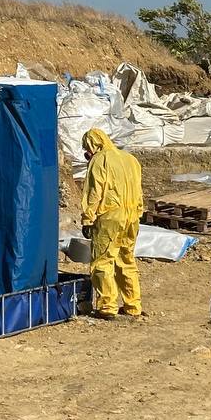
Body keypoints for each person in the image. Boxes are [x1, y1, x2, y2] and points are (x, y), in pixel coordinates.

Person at [81, 128, 143, 319]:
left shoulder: (99, 161)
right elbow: (139, 190)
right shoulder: (131, 159)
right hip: (132, 217)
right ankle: (133, 306)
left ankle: (107, 307)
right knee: (126, 260)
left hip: (109, 217)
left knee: (103, 261)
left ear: (93, 145)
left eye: (86, 150)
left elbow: (93, 192)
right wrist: (138, 212)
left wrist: (87, 218)